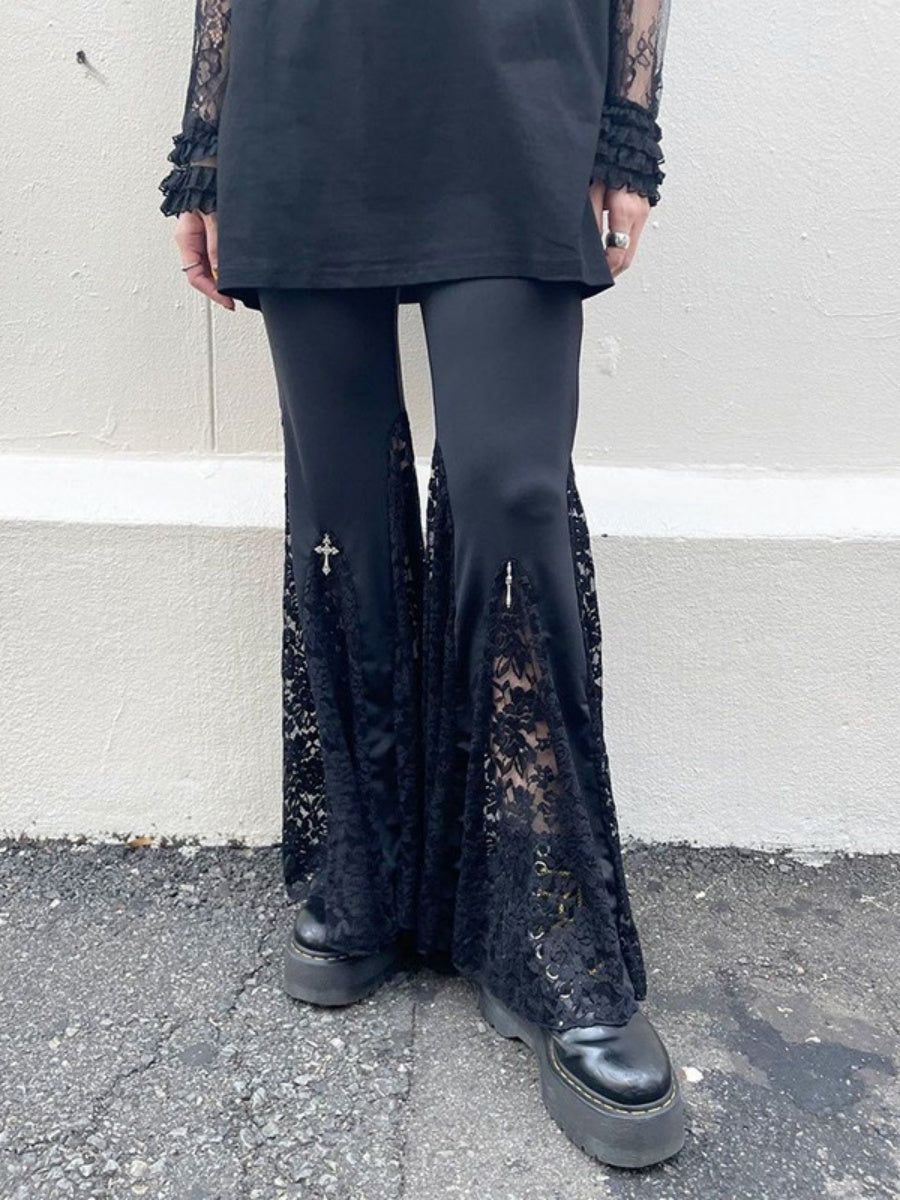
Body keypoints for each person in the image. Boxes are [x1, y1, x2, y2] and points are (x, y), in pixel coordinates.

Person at [159, 0, 683, 1169]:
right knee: (338, 494)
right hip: (302, 77)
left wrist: (628, 121)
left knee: (512, 490)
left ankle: (547, 926)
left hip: (515, 71)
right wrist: (204, 139)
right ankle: (374, 868)